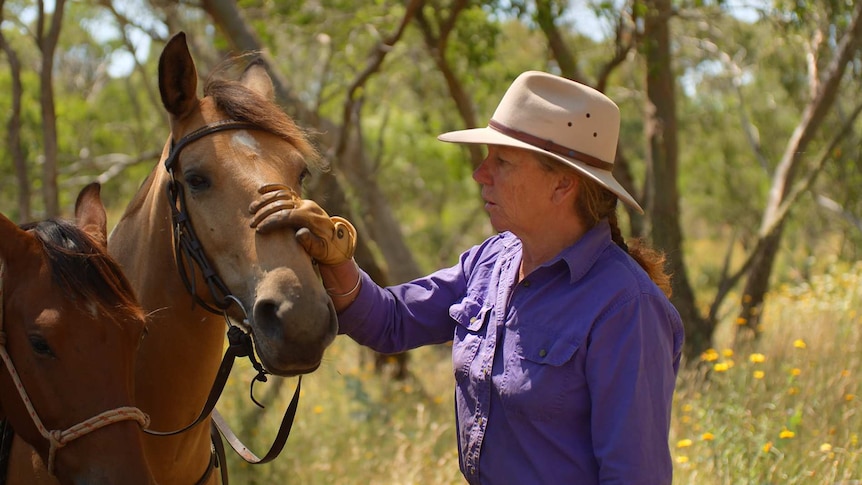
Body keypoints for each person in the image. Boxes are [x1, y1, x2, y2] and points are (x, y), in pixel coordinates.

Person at [250, 71, 685, 484]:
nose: (481, 173)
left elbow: (635, 476)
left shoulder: (627, 308)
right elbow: (392, 321)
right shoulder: (493, 260)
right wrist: (336, 260)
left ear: (562, 186)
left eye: (503, 161)